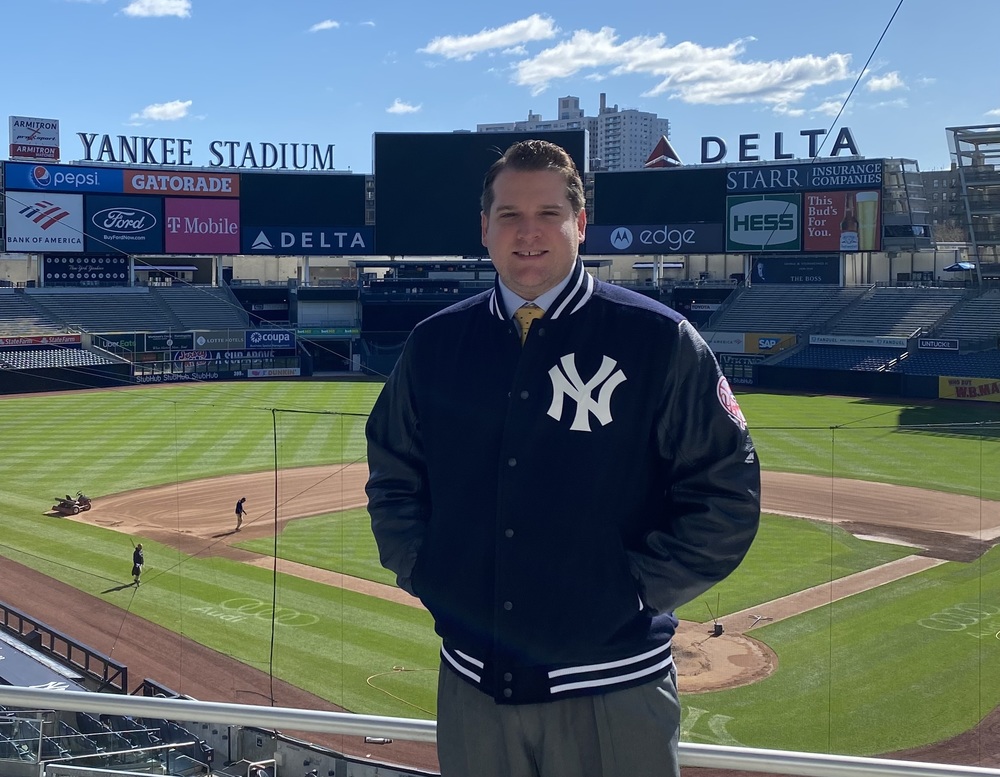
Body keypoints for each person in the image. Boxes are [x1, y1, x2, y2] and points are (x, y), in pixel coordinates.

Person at [365, 139, 761, 777]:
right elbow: (393, 474)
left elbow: (727, 493)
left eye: (548, 213)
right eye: (509, 215)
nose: (528, 233)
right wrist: (426, 572)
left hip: (613, 690)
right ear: (484, 228)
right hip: (472, 687)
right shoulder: (435, 344)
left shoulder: (658, 339)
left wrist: (630, 593)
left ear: (580, 224)